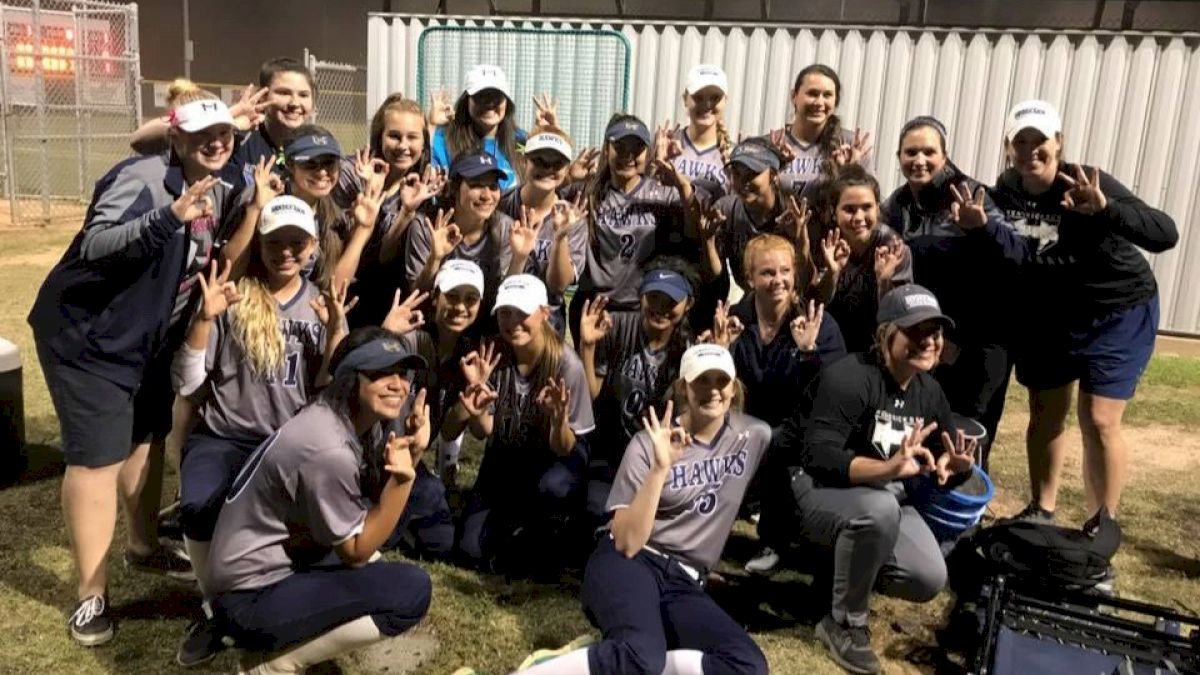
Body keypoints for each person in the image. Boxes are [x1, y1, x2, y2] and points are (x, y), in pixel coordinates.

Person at [27, 93, 242, 646]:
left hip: (148, 340)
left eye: (223, 132)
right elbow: (97, 245)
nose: (216, 142)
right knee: (97, 457)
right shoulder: (143, 177)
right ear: (176, 140)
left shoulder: (223, 181)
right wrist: (169, 217)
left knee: (147, 435)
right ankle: (90, 596)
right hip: (90, 338)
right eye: (201, 135)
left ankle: (142, 547)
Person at [169, 196, 349, 666]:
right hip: (229, 434)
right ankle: (215, 609)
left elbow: (331, 395)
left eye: (296, 243)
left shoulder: (321, 303)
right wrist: (206, 318)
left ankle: (284, 607)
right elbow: (188, 382)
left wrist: (334, 337)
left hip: (288, 441)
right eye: (275, 242)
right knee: (198, 506)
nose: (286, 252)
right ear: (262, 243)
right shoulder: (233, 296)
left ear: (313, 247)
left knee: (314, 529)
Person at [517, 344, 771, 675]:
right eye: (701, 381)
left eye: (720, 381)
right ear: (683, 388)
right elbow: (625, 542)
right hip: (629, 562)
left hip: (685, 581)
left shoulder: (754, 436)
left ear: (733, 387)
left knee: (749, 666)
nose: (712, 390)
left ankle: (608, 658)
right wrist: (659, 469)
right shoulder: (647, 444)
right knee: (641, 655)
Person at [989, 100, 1178, 522]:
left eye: (1040, 140)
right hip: (1053, 315)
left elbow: (1165, 233)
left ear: (1059, 143)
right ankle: (1042, 509)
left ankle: (1100, 526)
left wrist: (1107, 209)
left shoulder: (1085, 181)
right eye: (1020, 140)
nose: (1030, 150)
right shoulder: (1005, 189)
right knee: (1045, 409)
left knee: (1099, 417)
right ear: (1008, 146)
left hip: (1117, 309)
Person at [205, 327, 433, 675]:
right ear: (350, 380)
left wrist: (413, 451)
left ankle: (281, 638)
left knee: (379, 556)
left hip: (258, 572)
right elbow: (354, 550)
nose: (397, 384)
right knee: (409, 591)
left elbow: (364, 511)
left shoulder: (339, 416)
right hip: (248, 596)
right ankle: (272, 663)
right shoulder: (328, 446)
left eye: (402, 374)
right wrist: (404, 479)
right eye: (379, 373)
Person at [789, 285, 976, 674]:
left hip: (883, 502)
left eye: (935, 332)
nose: (928, 341)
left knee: (928, 576)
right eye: (915, 331)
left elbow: (939, 462)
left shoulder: (930, 392)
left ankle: (842, 572)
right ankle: (842, 623)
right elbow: (818, 457)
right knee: (878, 508)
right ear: (886, 334)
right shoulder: (849, 377)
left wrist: (954, 471)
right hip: (816, 492)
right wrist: (888, 470)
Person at [881, 115, 1024, 468]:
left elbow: (1018, 257)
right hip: (933, 334)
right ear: (898, 156)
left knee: (971, 431)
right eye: (910, 152)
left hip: (983, 336)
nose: (919, 160)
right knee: (932, 425)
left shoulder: (972, 196)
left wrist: (983, 229)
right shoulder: (897, 205)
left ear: (944, 155)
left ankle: (969, 511)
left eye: (929, 151)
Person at [454, 275, 596, 575]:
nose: (513, 322)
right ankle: (512, 521)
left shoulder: (566, 364)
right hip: (505, 455)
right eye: (505, 313)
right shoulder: (492, 354)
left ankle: (551, 528)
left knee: (553, 490)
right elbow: (485, 432)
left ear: (544, 313)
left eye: (523, 313)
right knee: (469, 551)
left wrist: (558, 419)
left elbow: (566, 447)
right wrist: (477, 408)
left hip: (553, 459)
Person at [577, 261, 698, 522]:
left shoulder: (689, 347)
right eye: (653, 297)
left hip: (658, 456)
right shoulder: (616, 326)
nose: (660, 308)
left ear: (687, 304)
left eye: (671, 301)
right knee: (597, 512)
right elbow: (591, 393)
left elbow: (690, 419)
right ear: (640, 295)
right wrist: (587, 346)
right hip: (610, 450)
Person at [569, 114, 696, 343]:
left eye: (636, 149)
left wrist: (681, 185)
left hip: (641, 310)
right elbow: (542, 196)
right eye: (620, 147)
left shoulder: (662, 194)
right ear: (607, 149)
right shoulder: (589, 194)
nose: (628, 156)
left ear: (647, 152)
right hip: (596, 306)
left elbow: (695, 228)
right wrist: (567, 178)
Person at [498, 125, 589, 332]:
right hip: (504, 315)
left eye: (557, 163)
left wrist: (561, 237)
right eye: (539, 161)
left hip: (549, 321)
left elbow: (558, 286)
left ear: (566, 169)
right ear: (524, 161)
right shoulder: (500, 205)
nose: (548, 168)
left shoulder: (572, 218)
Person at [402, 152, 511, 314]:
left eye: (493, 187)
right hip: (434, 320)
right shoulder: (426, 226)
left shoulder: (504, 228)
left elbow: (507, 296)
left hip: (484, 322)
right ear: (454, 188)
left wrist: (520, 258)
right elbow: (416, 297)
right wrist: (434, 259)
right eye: (476, 185)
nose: (487, 196)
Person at [821, 164, 912, 354]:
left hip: (876, 340)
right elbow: (816, 305)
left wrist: (884, 281)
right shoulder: (825, 244)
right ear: (833, 212)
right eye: (849, 209)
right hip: (833, 337)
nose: (859, 217)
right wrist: (833, 274)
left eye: (866, 207)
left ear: (878, 209)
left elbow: (899, 318)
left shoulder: (893, 247)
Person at [768, 64, 873, 197]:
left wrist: (851, 171)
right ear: (794, 96)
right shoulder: (772, 144)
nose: (819, 102)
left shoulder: (851, 146)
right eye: (812, 93)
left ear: (836, 101)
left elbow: (871, 205)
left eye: (827, 95)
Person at [428, 64, 527, 191]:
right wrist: (431, 125)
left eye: (497, 97)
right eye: (481, 96)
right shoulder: (443, 138)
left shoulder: (521, 141)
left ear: (506, 102)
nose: (490, 104)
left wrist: (550, 130)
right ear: (466, 100)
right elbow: (425, 171)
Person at [229, 57, 316, 175]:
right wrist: (227, 121)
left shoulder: (318, 148)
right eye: (284, 93)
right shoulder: (239, 142)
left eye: (303, 95)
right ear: (263, 96)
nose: (295, 103)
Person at [664, 64, 733, 197]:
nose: (707, 105)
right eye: (698, 97)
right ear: (685, 99)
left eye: (715, 98)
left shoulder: (732, 154)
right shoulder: (668, 145)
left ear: (725, 101)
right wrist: (655, 164)